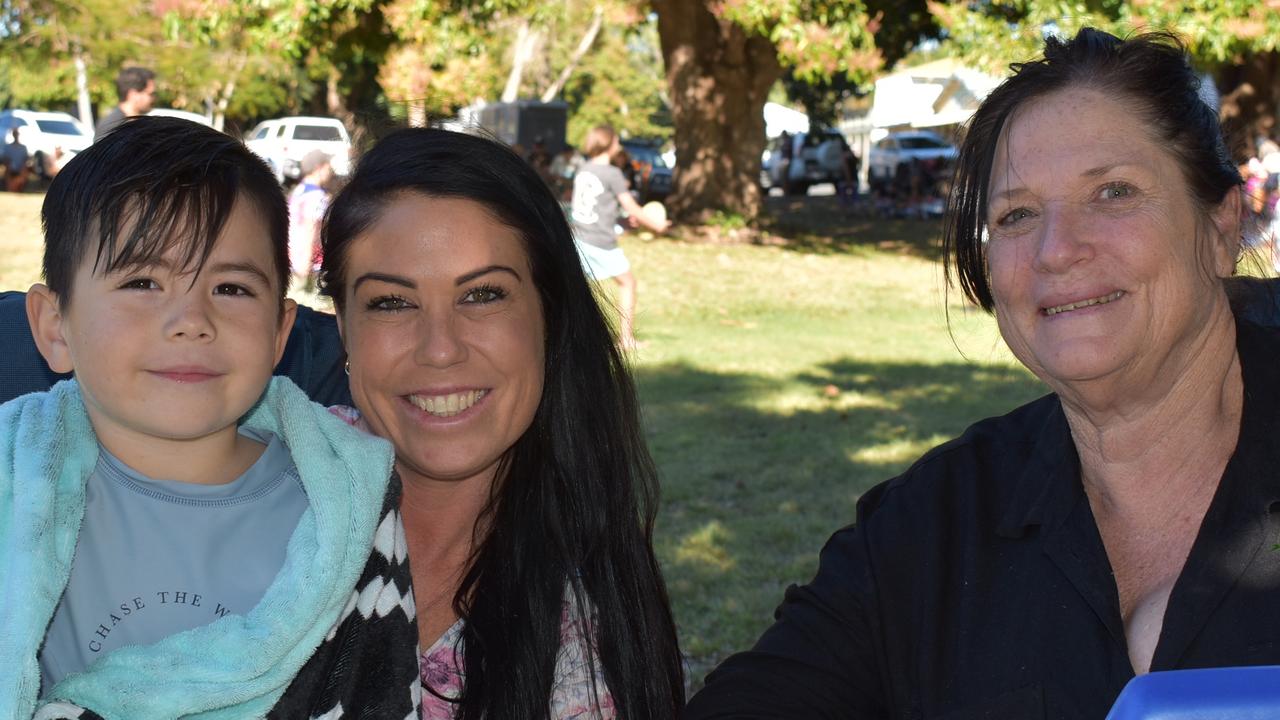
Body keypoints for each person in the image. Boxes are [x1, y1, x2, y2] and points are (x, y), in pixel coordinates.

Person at [686, 28, 1280, 719]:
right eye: (1017, 214)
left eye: (1113, 192)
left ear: (1220, 228)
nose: (1056, 250)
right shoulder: (928, 530)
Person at [0, 117, 420, 718]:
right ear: (52, 327)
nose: (191, 319)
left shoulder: (342, 509)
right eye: (143, 280)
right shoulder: (16, 488)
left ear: (280, 331)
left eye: (231, 289)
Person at [319, 127, 685, 719]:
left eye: (483, 295)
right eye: (391, 301)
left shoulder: (594, 609)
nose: (440, 349)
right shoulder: (253, 500)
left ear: (549, 315)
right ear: (342, 328)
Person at [570, 124, 670, 350]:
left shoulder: (584, 169)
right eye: (616, 141)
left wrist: (622, 223)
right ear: (608, 143)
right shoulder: (612, 173)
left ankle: (574, 340)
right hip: (600, 241)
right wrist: (657, 225)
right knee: (628, 283)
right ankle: (625, 340)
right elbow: (631, 206)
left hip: (579, 237)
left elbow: (595, 207)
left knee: (577, 292)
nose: (618, 145)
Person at [287, 149, 333, 290]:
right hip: (310, 264)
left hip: (291, 259)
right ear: (319, 168)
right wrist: (306, 262)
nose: (331, 170)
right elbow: (311, 228)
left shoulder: (297, 191)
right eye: (328, 166)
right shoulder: (318, 197)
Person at [94, 66, 156, 141]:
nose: (154, 98)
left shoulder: (136, 123)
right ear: (133, 94)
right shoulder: (112, 126)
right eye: (151, 94)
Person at [4, 127, 30, 192]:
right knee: (8, 168)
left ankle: (19, 187)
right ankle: (10, 187)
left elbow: (26, 160)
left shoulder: (23, 147)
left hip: (21, 168)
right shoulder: (8, 147)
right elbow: (6, 159)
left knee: (25, 170)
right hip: (11, 168)